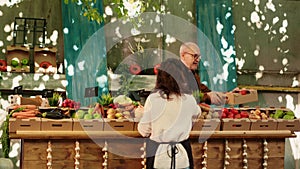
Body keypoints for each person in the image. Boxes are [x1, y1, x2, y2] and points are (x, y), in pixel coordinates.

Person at [138, 58, 201, 169]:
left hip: (158, 156)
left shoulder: (153, 99)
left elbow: (144, 131)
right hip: (182, 156)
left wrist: (141, 114)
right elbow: (196, 115)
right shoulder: (190, 100)